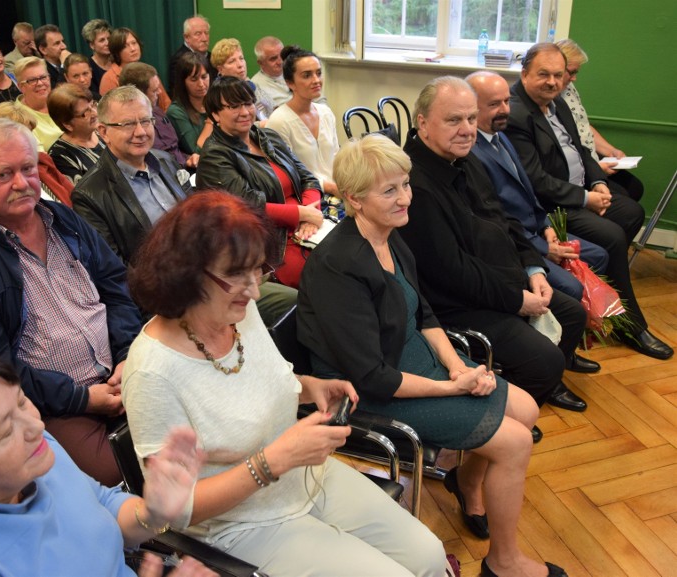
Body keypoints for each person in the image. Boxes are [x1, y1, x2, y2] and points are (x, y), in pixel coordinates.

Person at [123, 190, 447, 577]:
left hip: (306, 479)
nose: (255, 290)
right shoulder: (153, 372)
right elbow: (177, 508)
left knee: (429, 555)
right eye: (237, 276)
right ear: (185, 273)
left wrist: (310, 386)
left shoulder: (234, 311)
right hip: (239, 526)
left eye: (258, 271)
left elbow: (256, 381)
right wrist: (274, 460)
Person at [298, 135, 566, 577]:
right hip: (367, 390)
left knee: (527, 408)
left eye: (405, 184)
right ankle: (504, 562)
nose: (406, 197)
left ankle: (467, 481)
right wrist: (452, 385)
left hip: (412, 362)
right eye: (390, 190)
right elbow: (370, 376)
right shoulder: (337, 265)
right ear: (354, 199)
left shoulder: (391, 236)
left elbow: (423, 313)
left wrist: (459, 366)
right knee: (515, 442)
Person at [0, 349, 215, 577]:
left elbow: (102, 504)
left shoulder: (30, 452)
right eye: (5, 432)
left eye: (21, 402)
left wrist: (153, 513)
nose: (36, 426)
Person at [0, 119, 142, 486]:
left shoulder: (64, 220)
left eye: (28, 169)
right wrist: (82, 399)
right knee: (115, 473)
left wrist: (127, 354)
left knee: (190, 424)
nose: (21, 183)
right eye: (3, 174)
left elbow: (117, 287)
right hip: (53, 404)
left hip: (123, 372)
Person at [398, 77, 589, 437]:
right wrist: (517, 300)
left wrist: (534, 269)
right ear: (422, 122)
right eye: (454, 120)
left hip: (501, 281)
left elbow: (506, 219)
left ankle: (523, 400)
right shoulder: (416, 184)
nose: (467, 130)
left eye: (471, 119)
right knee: (545, 361)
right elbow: (450, 271)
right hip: (457, 302)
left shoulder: (465, 160)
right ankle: (490, 429)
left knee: (573, 314)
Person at [505, 43, 672, 360]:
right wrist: (585, 197)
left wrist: (597, 181)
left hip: (579, 190)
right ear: (524, 73)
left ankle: (601, 299)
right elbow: (536, 181)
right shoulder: (517, 114)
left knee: (630, 210)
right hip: (554, 205)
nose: (554, 82)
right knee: (611, 237)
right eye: (544, 75)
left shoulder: (556, 103)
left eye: (558, 75)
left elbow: (581, 150)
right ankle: (632, 325)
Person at [466, 71, 609, 305]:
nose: (504, 109)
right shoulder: (473, 152)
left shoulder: (500, 136)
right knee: (572, 288)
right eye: (494, 104)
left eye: (506, 101)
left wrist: (546, 227)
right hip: (517, 243)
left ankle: (588, 325)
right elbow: (494, 218)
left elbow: (528, 190)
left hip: (537, 230)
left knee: (599, 256)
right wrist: (542, 249)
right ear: (472, 107)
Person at [196, 76, 323, 289]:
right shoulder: (215, 155)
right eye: (234, 106)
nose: (245, 112)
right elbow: (246, 206)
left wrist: (310, 214)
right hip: (267, 243)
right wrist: (302, 215)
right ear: (216, 114)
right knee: (327, 272)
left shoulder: (268, 137)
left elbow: (307, 178)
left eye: (248, 103)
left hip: (307, 227)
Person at [72, 85, 190, 266]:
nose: (141, 132)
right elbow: (114, 269)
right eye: (128, 124)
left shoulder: (166, 161)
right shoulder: (89, 194)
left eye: (145, 121)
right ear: (104, 132)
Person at [556, 39, 644, 201]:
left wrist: (611, 151)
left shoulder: (569, 88)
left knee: (635, 187)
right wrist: (594, 169)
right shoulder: (550, 99)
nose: (574, 78)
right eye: (572, 72)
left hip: (590, 156)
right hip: (576, 164)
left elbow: (583, 126)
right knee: (624, 202)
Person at [266, 45, 342, 219]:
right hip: (307, 197)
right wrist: (329, 187)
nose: (316, 80)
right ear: (290, 83)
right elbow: (288, 175)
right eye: (307, 75)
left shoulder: (325, 112)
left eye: (318, 73)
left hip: (337, 191)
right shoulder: (279, 121)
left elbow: (336, 156)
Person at [0, 101, 75, 207]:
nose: (30, 140)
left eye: (30, 133)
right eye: (22, 135)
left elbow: (74, 195)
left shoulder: (42, 160)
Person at [119, 62, 193, 169]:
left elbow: (175, 148)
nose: (159, 93)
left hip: (185, 168)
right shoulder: (132, 128)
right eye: (154, 90)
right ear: (140, 94)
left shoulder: (158, 111)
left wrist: (190, 158)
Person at [99, 28, 170, 113]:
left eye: (134, 43)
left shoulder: (147, 71)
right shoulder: (109, 78)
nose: (133, 49)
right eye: (125, 46)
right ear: (117, 52)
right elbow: (111, 113)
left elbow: (166, 104)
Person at [47, 83, 106, 184]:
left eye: (93, 105)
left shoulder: (102, 130)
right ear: (67, 124)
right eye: (86, 113)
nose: (95, 113)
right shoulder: (60, 156)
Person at [210, 38, 274, 120]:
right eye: (232, 61)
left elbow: (272, 107)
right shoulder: (221, 94)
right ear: (220, 69)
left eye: (241, 58)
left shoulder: (250, 84)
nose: (240, 65)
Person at [166, 51, 212, 155]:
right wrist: (211, 120)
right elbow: (196, 151)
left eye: (204, 77)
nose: (201, 84)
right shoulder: (176, 111)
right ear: (183, 82)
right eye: (194, 79)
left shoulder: (216, 101)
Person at [13, 57, 63, 151]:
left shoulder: (61, 101)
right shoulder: (18, 118)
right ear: (21, 87)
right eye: (32, 80)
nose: (40, 83)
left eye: (43, 77)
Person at [168, 15, 217, 96]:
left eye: (206, 33)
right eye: (198, 34)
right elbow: (179, 94)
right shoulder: (179, 60)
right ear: (186, 37)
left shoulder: (212, 57)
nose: (204, 38)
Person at [250, 36, 289, 107]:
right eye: (273, 58)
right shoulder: (255, 87)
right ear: (261, 63)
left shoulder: (295, 71)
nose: (280, 61)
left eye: (282, 55)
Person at [81, 18, 113, 97]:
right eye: (102, 40)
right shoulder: (88, 67)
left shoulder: (118, 61)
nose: (107, 43)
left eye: (109, 39)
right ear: (92, 45)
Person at [35, 24, 68, 88]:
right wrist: (63, 66)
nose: (64, 46)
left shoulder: (70, 65)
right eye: (57, 43)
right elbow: (57, 94)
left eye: (63, 41)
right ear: (43, 50)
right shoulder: (41, 72)